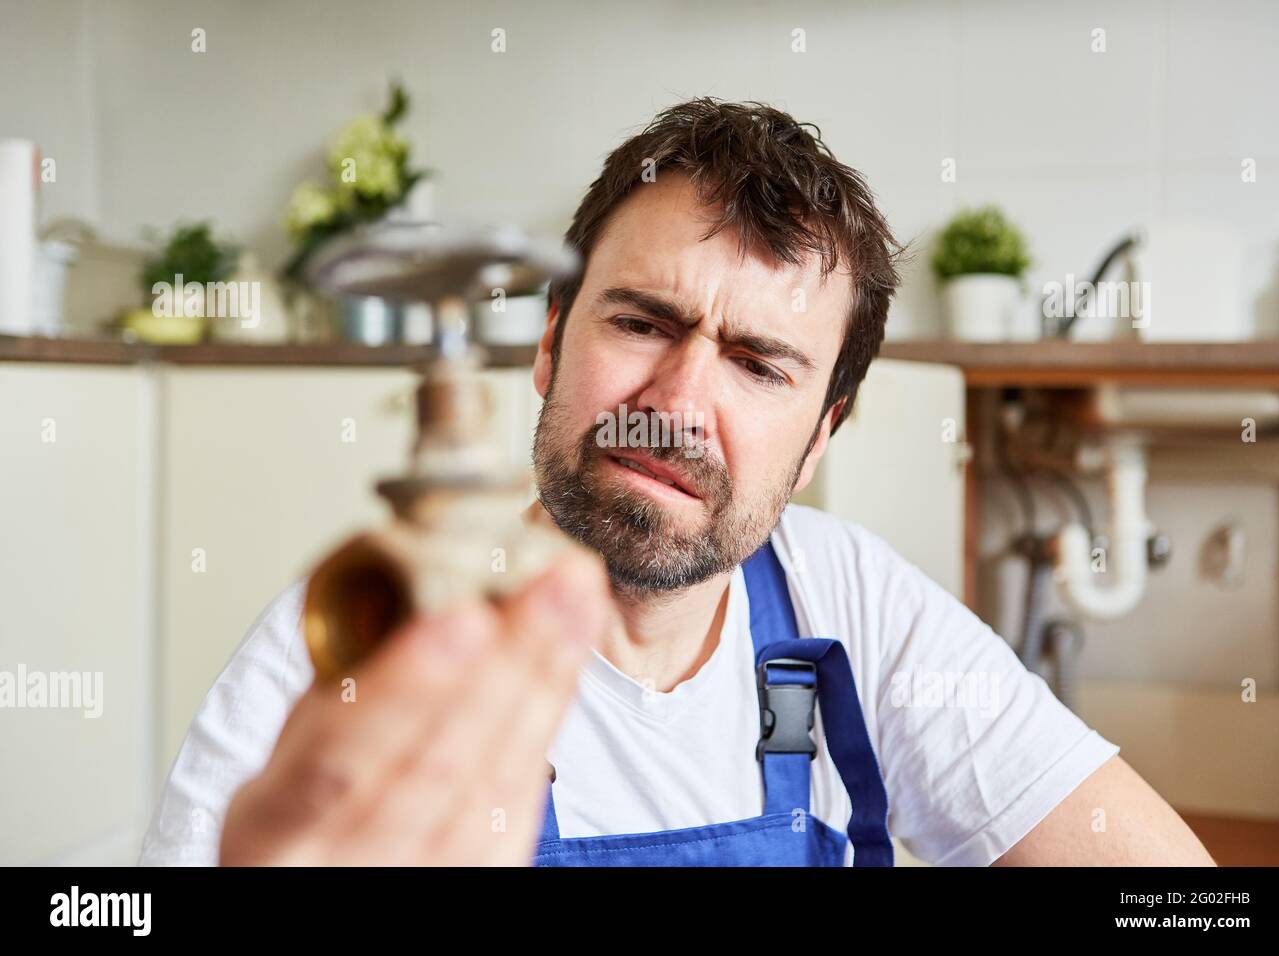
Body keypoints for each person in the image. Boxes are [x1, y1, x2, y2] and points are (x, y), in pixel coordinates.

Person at [141, 98, 1214, 867]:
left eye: (757, 363)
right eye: (642, 321)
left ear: (819, 437)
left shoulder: (854, 612)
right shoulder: (347, 645)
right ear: (549, 344)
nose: (677, 399)